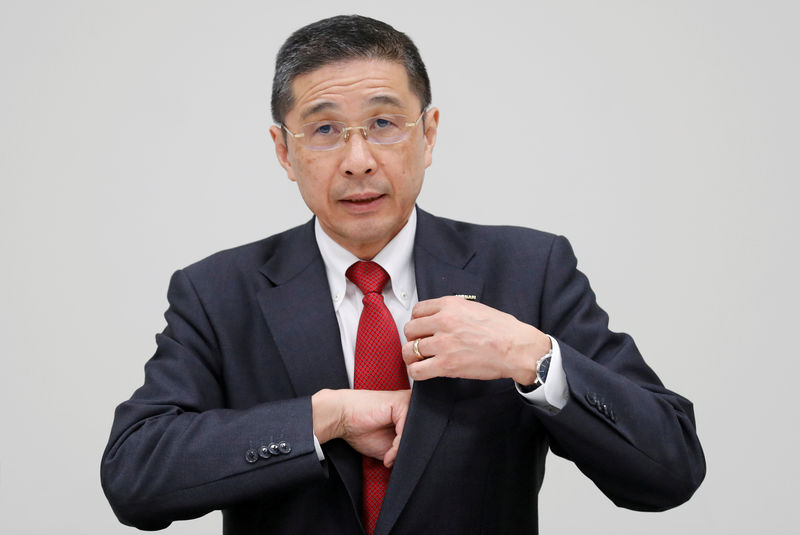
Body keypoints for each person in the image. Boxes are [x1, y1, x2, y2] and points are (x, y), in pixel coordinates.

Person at [101, 14, 705, 535]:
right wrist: (323, 419)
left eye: (385, 124)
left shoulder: (529, 270)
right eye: (325, 130)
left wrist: (534, 357)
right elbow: (134, 476)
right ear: (285, 151)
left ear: (430, 134)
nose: (359, 160)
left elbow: (670, 469)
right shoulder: (218, 292)